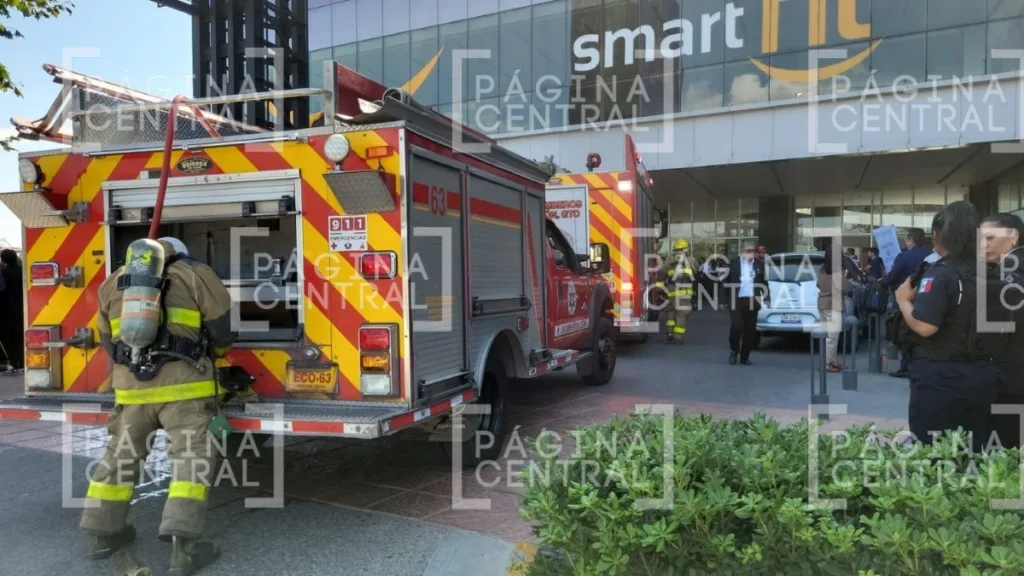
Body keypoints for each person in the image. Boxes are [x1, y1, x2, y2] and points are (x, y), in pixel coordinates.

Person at [81, 237, 237, 575]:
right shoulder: (195, 272)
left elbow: (108, 341)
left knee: (120, 457)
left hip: (131, 391)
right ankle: (185, 547)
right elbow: (224, 330)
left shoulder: (115, 280)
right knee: (190, 460)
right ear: (179, 252)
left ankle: (103, 535)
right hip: (185, 389)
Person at [894, 202, 1001, 452]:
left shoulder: (940, 274)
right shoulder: (992, 274)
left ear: (938, 235)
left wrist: (903, 301)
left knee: (934, 453)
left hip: (940, 378)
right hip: (983, 375)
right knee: (974, 453)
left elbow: (925, 326)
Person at [981, 213, 1024, 450]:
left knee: (1004, 453)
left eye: (990, 238)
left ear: (1014, 236)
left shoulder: (1007, 274)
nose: (983, 245)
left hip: (1010, 379)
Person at [882, 228, 932, 378]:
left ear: (911, 240)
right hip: (928, 300)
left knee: (904, 334)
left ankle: (906, 367)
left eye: (906, 239)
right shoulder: (931, 255)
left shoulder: (904, 256)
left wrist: (881, 282)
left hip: (906, 300)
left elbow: (892, 277)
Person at [723, 241, 767, 365]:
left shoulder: (760, 265)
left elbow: (764, 282)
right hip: (736, 300)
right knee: (736, 326)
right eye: (748, 251)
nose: (751, 253)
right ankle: (734, 351)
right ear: (742, 252)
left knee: (750, 330)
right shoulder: (733, 263)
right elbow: (725, 282)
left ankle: (745, 356)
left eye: (753, 251)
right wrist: (723, 301)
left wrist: (766, 297)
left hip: (752, 300)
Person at [819, 243, 852, 373]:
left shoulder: (822, 269)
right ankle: (827, 363)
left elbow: (818, 284)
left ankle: (831, 361)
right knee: (832, 337)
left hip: (822, 304)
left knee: (826, 336)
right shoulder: (838, 271)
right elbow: (846, 288)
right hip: (834, 305)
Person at [658, 239, 695, 344]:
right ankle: (678, 336)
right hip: (684, 292)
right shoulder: (690, 260)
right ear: (685, 249)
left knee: (671, 312)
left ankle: (670, 333)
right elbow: (695, 272)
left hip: (671, 292)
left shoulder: (669, 260)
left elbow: (661, 275)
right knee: (682, 314)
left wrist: (660, 290)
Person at [0, 250, 24, 372]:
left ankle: (13, 361)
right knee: (21, 335)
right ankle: (22, 360)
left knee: (8, 337)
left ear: (3, 260)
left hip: (6, 310)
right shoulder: (22, 272)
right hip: (22, 308)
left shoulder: (3, 274)